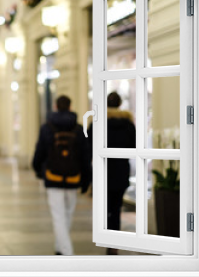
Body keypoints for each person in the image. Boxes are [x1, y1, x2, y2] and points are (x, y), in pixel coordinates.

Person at [32, 95, 91, 255]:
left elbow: (40, 152)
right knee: (68, 214)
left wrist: (38, 169)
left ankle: (66, 252)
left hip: (53, 177)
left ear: (56, 107)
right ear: (70, 107)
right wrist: (87, 180)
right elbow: (86, 155)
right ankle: (60, 248)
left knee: (58, 216)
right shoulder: (78, 129)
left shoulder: (47, 127)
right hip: (73, 177)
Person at [87, 92, 136, 255]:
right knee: (116, 208)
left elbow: (89, 147)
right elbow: (133, 147)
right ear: (120, 104)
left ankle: (107, 235)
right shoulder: (128, 124)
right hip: (121, 171)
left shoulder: (97, 123)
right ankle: (112, 241)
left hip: (103, 171)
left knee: (104, 206)